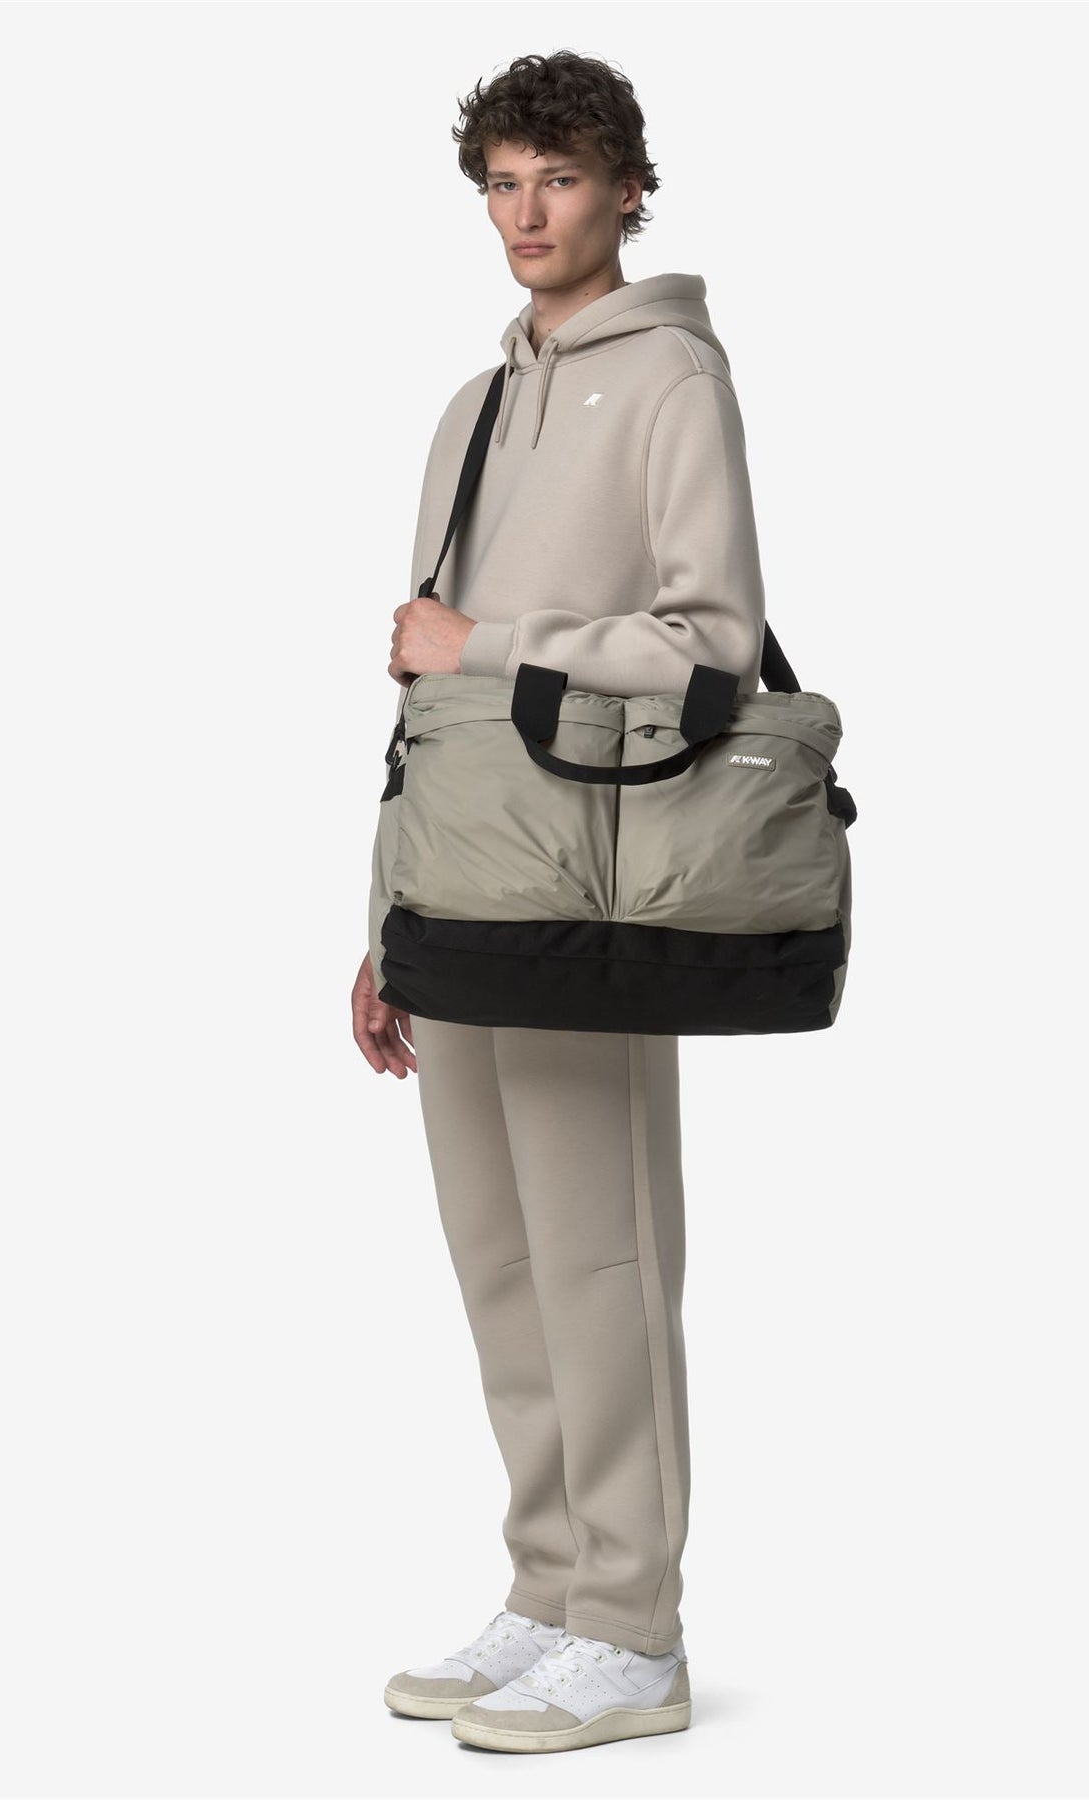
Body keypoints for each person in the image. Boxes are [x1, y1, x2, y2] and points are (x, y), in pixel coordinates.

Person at [349, 50, 767, 1756]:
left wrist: (495, 644)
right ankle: (550, 1587)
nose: (527, 215)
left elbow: (712, 648)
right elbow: (423, 704)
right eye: (503, 185)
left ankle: (635, 1631)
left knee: (603, 1257)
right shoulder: (473, 406)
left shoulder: (672, 379)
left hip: (596, 887)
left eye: (560, 180)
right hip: (459, 884)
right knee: (504, 1261)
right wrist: (382, 916)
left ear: (628, 192)